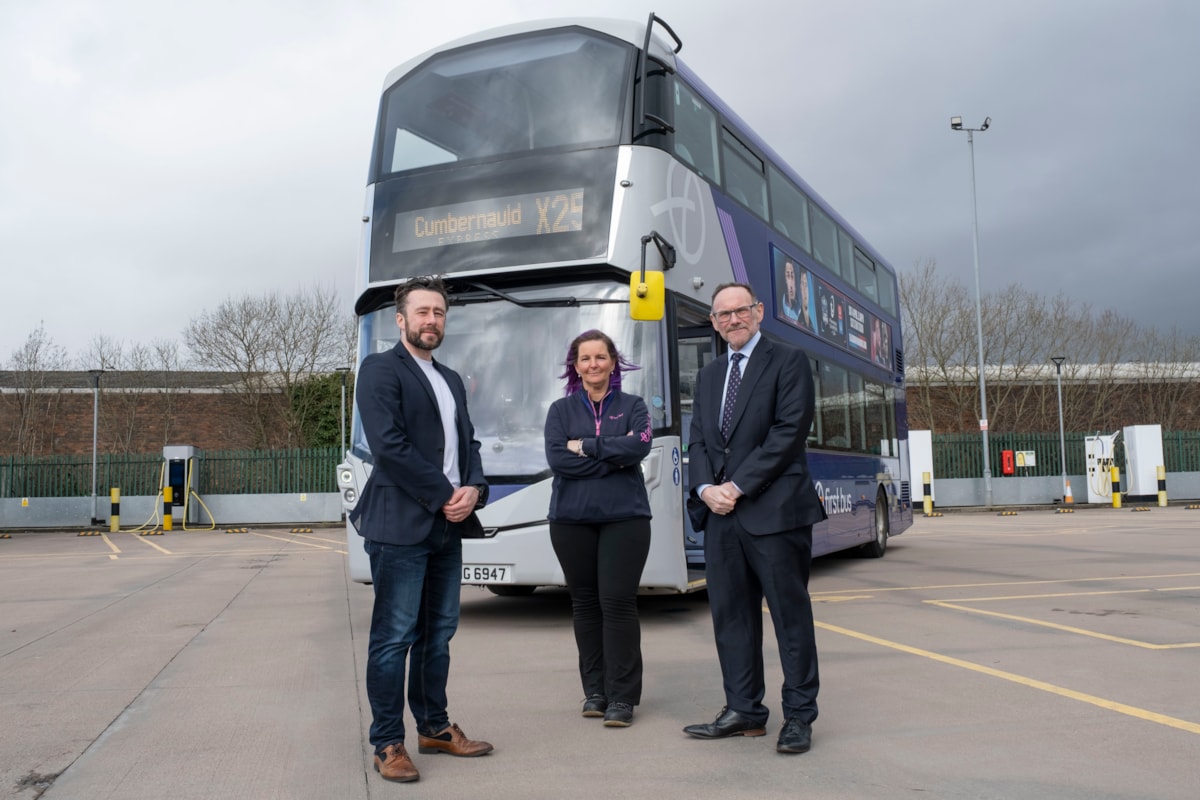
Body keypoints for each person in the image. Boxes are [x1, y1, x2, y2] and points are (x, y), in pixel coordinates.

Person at [350, 276, 493, 783]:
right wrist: (444, 494)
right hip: (401, 525)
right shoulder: (380, 369)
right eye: (423, 312)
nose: (432, 320)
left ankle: (433, 727)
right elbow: (389, 445)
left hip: (448, 526)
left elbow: (469, 445)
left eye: (439, 312)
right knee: (393, 637)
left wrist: (474, 489)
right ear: (401, 319)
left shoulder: (451, 378)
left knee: (438, 636)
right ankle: (388, 741)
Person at [683, 282, 827, 755]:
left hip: (774, 512)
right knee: (731, 618)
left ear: (758, 312)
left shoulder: (788, 361)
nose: (732, 320)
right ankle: (744, 709)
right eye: (722, 315)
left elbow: (788, 433)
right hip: (722, 515)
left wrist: (736, 486)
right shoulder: (709, 375)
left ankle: (799, 717)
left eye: (739, 311)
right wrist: (705, 489)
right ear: (714, 323)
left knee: (790, 618)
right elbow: (700, 441)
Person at [544, 330, 653, 728]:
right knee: (585, 606)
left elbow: (639, 446)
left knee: (618, 603)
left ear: (613, 362)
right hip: (571, 521)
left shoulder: (634, 405)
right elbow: (558, 460)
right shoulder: (559, 411)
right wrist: (612, 452)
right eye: (585, 359)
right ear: (575, 366)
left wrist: (586, 445)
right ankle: (596, 692)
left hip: (625, 519)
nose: (593, 365)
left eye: (601, 357)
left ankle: (622, 697)